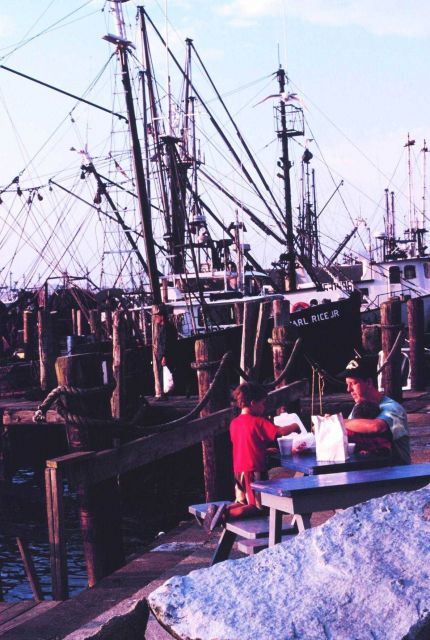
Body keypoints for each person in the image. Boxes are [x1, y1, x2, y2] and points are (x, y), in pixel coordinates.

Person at [204, 382, 301, 531]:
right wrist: (296, 425)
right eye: (262, 404)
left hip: (238, 470)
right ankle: (223, 514)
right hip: (254, 470)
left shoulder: (234, 423)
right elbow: (280, 432)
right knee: (258, 507)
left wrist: (265, 450)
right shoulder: (258, 422)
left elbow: (246, 444)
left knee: (242, 502)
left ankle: (217, 510)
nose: (264, 408)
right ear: (253, 403)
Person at [338, 355, 410, 465]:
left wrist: (338, 421)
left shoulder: (393, 408)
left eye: (353, 383)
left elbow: (376, 427)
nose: (348, 389)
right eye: (347, 384)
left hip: (396, 474)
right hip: (369, 470)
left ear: (369, 383)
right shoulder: (358, 407)